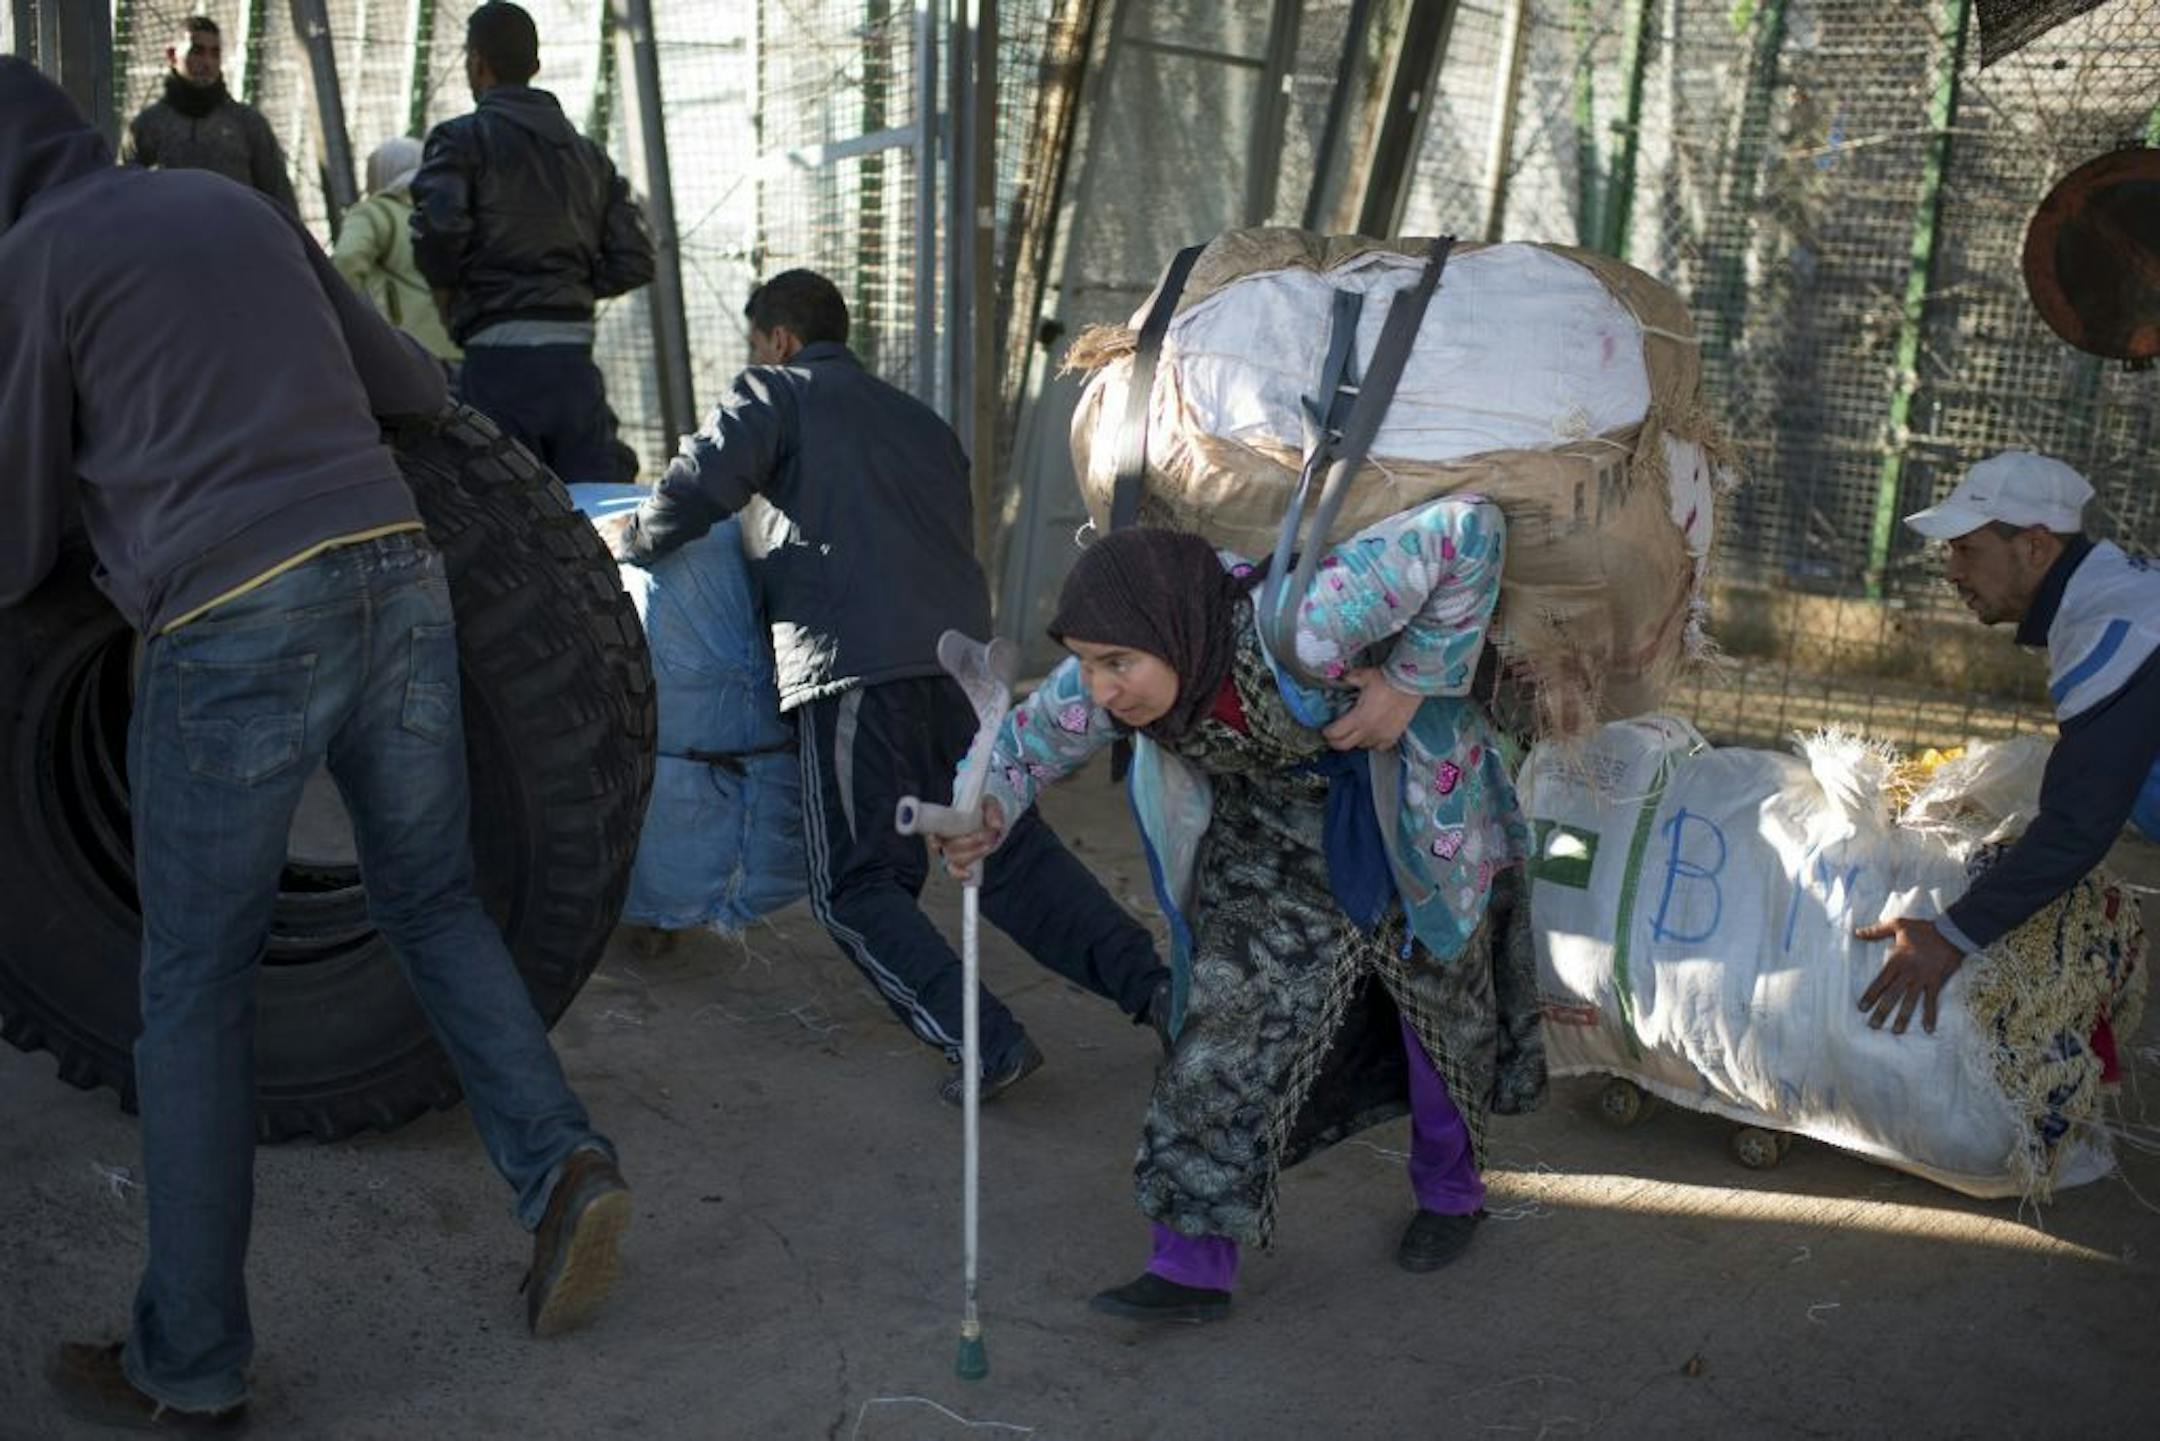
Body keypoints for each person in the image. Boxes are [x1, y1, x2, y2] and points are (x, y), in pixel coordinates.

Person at [0, 60, 628, 1431]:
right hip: (397, 570)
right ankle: (563, 1165)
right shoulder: (226, 203)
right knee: (433, 899)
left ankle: (192, 1359)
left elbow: (17, 524)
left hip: (230, 615)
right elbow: (406, 381)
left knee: (191, 992)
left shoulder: (32, 259)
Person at [934, 507, 1546, 1322]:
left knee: (1438, 1022)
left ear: (1174, 627)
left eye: (1118, 661)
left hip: (1406, 816)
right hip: (1272, 844)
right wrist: (984, 813)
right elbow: (1024, 746)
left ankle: (1451, 1195)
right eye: (1085, 662)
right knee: (1218, 1029)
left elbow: (1470, 528)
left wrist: (1410, 682)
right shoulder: (1111, 685)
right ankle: (1189, 1266)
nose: (1101, 685)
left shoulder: (1311, 617)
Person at [599, 269, 1172, 1104]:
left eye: (758, 344)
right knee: (1005, 848)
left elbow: (704, 482)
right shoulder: (921, 421)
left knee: (857, 887)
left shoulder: (777, 391)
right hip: (960, 668)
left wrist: (634, 537)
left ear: (780, 340)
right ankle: (1157, 991)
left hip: (855, 666)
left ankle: (984, 1042)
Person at [1858, 451, 2160, 1034]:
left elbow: (2078, 822)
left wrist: (1949, 936)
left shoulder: (2114, 630)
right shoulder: (2120, 595)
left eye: (1967, 550)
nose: (1951, 571)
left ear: (2035, 548)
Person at [412, 2, 654, 484]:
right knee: (590, 509)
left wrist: (452, 298)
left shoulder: (461, 140)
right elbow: (634, 258)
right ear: (536, 65)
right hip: (574, 364)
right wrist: (570, 286)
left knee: (505, 515)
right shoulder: (590, 157)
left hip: (497, 359)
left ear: (476, 62)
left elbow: (439, 230)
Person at [121, 14, 298, 215]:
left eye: (215, 53)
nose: (207, 63)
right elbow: (125, 199)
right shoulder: (147, 127)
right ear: (172, 56)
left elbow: (280, 199)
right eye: (197, 51)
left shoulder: (247, 124)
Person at [333, 135, 463, 371]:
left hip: (411, 350)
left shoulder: (375, 213)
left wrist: (342, 317)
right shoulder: (452, 210)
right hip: (467, 342)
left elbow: (346, 258)